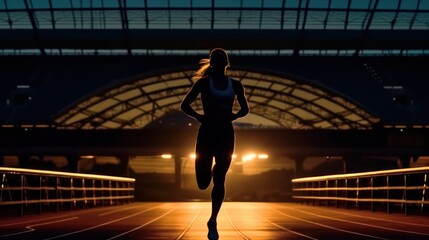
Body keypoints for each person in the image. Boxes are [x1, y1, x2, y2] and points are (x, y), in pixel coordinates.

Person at [181, 48, 249, 240]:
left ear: (227, 64)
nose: (219, 65)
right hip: (206, 133)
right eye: (216, 62)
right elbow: (184, 105)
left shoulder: (235, 85)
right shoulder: (203, 83)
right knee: (203, 183)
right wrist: (198, 117)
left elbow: (245, 109)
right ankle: (207, 174)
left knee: (220, 178)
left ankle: (213, 219)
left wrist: (233, 116)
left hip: (226, 134)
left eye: (221, 62)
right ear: (212, 64)